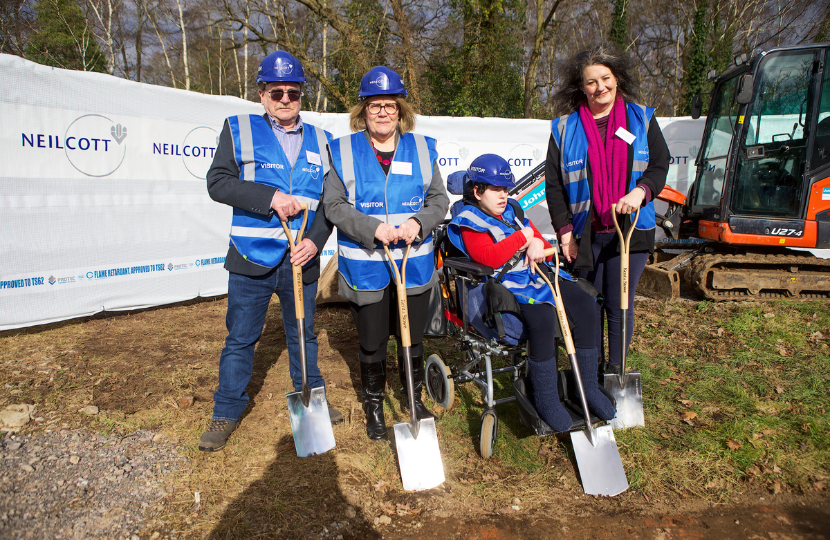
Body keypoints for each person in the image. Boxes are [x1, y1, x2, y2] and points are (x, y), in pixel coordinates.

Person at [199, 50, 341, 452]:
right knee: (241, 338)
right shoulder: (238, 129)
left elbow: (332, 203)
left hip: (302, 258)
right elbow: (218, 183)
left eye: (292, 93)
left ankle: (313, 397)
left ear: (301, 96)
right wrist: (271, 197)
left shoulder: (322, 140)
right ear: (261, 94)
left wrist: (316, 240)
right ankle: (226, 411)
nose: (284, 99)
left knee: (303, 333)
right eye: (275, 91)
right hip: (251, 256)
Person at [323, 66, 450, 440]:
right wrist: (372, 228)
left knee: (411, 336)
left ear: (400, 110)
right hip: (367, 266)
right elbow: (333, 204)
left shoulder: (423, 148)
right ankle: (375, 406)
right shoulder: (343, 150)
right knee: (373, 340)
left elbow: (439, 199)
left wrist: (419, 223)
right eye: (374, 105)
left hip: (414, 264)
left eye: (389, 105)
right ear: (363, 110)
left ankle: (413, 398)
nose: (382, 112)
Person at [447, 154, 614, 432]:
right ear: (477, 191)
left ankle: (589, 388)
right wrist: (524, 238)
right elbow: (488, 258)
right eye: (495, 189)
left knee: (585, 304)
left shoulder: (513, 210)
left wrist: (536, 239)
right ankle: (546, 399)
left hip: (538, 274)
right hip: (504, 283)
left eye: (506, 189)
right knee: (542, 317)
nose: (503, 195)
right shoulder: (468, 219)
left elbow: (535, 236)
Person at [545, 44, 669, 374]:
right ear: (580, 87)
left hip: (630, 231)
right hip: (586, 234)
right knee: (589, 304)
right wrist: (564, 230)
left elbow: (659, 164)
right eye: (591, 82)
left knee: (619, 304)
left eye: (606, 78)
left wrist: (641, 192)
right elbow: (554, 187)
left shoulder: (640, 119)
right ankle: (590, 371)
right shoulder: (563, 128)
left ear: (617, 79)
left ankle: (615, 372)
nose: (600, 87)